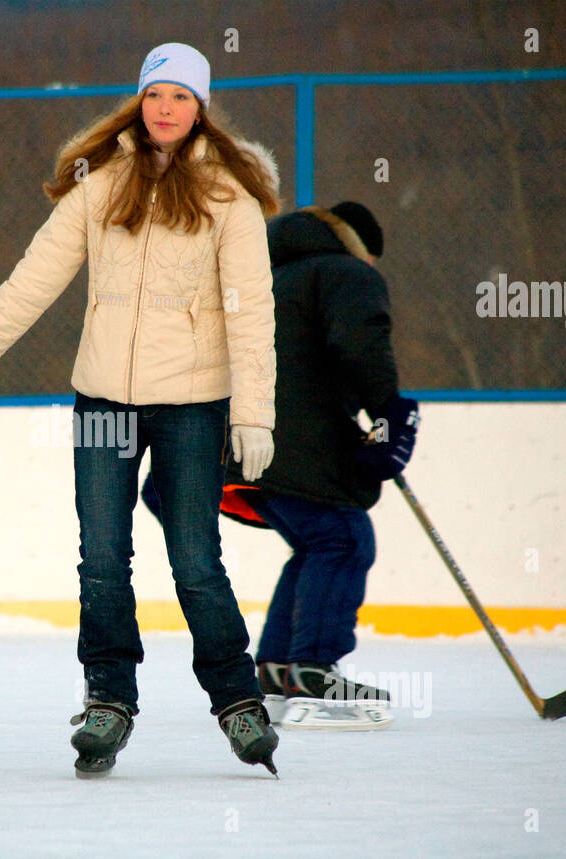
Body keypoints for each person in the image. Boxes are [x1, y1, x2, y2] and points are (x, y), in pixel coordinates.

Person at [0, 43, 281, 777]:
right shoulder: (100, 185)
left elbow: (252, 314)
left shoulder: (229, 200)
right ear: (139, 101)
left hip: (191, 404)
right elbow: (33, 281)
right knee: (101, 561)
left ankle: (237, 701)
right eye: (156, 95)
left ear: (200, 109)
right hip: (102, 401)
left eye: (181, 97)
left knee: (195, 561)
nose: (165, 109)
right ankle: (109, 699)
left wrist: (254, 414)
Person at [146, 201, 417, 730]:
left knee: (318, 543)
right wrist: (389, 412)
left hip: (228, 443)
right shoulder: (343, 272)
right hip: (291, 439)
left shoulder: (257, 277)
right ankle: (312, 670)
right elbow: (361, 345)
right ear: (361, 249)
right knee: (341, 538)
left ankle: (276, 669)